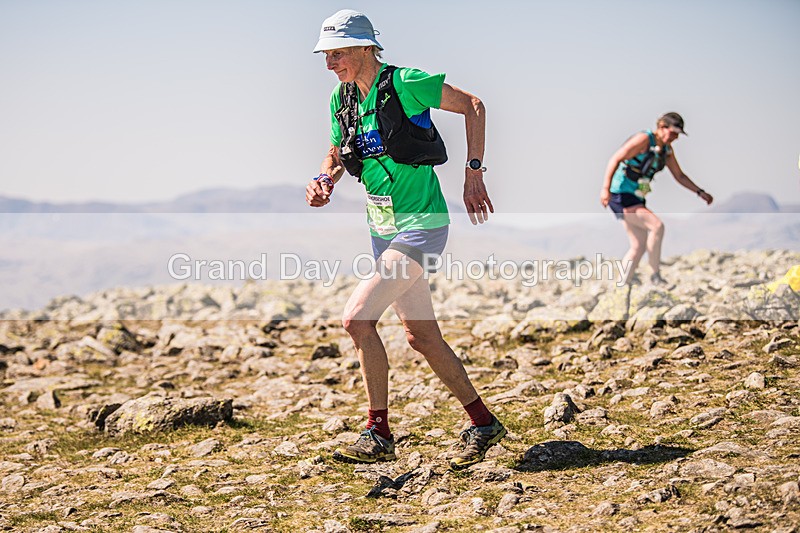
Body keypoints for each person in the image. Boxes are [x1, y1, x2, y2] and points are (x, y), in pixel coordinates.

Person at [305, 9, 506, 470]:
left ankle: (378, 431)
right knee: (421, 336)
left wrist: (473, 173)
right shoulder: (342, 100)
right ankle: (484, 422)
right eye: (325, 55)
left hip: (422, 223)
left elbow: (473, 105)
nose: (329, 63)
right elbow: (337, 152)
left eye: (336, 53)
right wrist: (324, 178)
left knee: (356, 319)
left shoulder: (406, 82)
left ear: (363, 48)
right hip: (382, 229)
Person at [600, 112, 714, 286]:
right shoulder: (643, 140)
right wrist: (605, 189)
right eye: (673, 133)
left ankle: (622, 284)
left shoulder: (666, 151)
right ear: (662, 127)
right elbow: (616, 158)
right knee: (657, 226)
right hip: (621, 194)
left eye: (678, 134)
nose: (675, 138)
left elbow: (679, 176)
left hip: (637, 196)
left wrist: (699, 192)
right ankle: (655, 276)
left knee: (638, 245)